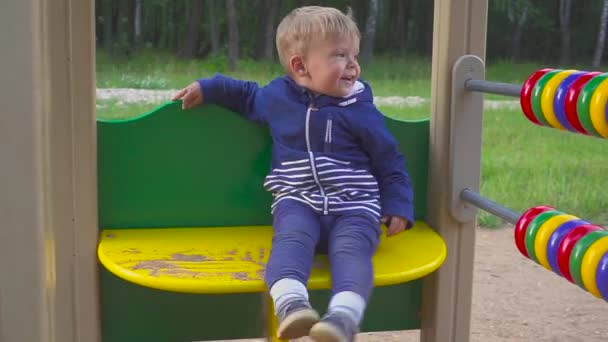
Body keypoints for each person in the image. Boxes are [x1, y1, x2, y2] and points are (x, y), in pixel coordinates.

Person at [172, 6, 414, 342]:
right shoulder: (277, 98)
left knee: (352, 253)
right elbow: (245, 95)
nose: (353, 65)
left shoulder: (361, 111)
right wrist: (209, 87)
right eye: (340, 55)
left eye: (354, 55)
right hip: (298, 201)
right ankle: (292, 307)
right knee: (289, 243)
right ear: (300, 66)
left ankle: (343, 318)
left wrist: (399, 204)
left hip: (355, 206)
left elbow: (390, 161)